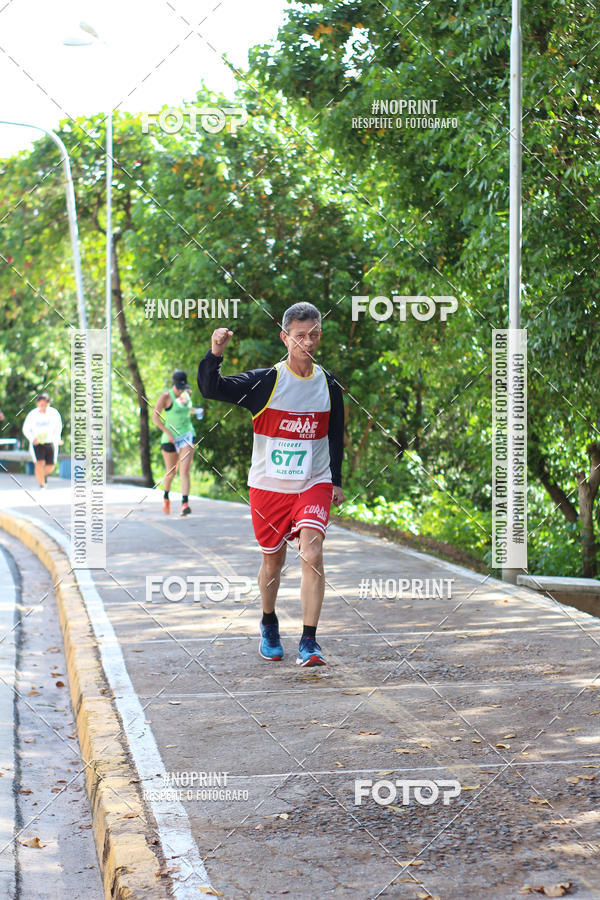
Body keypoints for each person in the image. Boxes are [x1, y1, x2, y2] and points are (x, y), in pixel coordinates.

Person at [197, 302, 345, 667]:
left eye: (313, 335)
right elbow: (211, 388)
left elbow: (335, 435)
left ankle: (309, 641)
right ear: (285, 337)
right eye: (299, 336)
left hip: (314, 482)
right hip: (269, 488)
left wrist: (336, 481)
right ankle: (269, 622)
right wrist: (216, 352)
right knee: (273, 560)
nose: (307, 343)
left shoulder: (329, 385)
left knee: (311, 552)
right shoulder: (267, 382)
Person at [152, 369, 201, 516]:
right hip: (171, 439)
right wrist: (168, 433)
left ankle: (184, 504)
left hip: (187, 435)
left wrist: (197, 411)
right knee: (171, 473)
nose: (181, 390)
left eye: (183, 387)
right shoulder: (166, 397)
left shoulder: (187, 394)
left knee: (184, 471)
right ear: (174, 384)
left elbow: (186, 410)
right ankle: (166, 497)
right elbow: (155, 418)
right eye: (178, 387)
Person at [22, 393, 62, 488]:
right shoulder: (32, 414)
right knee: (39, 463)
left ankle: (42, 476)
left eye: (45, 404)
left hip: (50, 442)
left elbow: (58, 427)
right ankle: (42, 484)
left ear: (48, 404)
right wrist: (32, 439)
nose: (42, 406)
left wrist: (58, 438)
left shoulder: (54, 413)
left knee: (50, 466)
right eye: (41, 404)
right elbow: (26, 429)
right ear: (37, 404)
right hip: (37, 443)